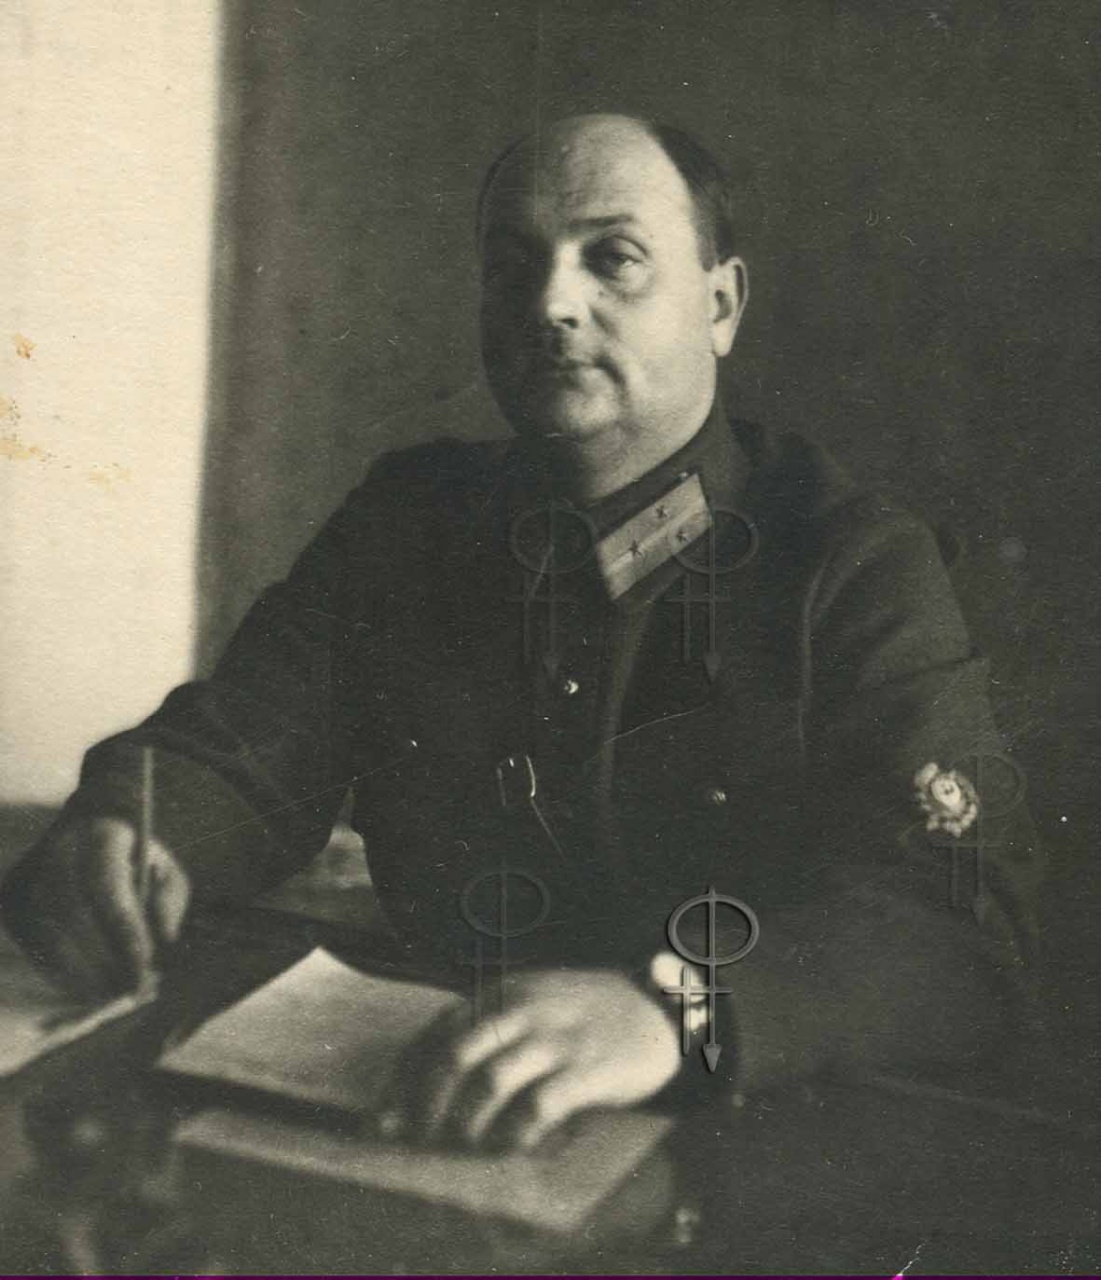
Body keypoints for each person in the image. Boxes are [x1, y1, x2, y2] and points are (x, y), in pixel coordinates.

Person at [0, 113, 1041, 1154]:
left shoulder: (850, 561)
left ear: (720, 305)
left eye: (613, 259)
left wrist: (676, 1011)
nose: (550, 303)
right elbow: (242, 751)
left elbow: (952, 918)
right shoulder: (410, 517)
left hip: (731, 1126)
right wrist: (139, 831)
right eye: (512, 266)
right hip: (415, 1101)